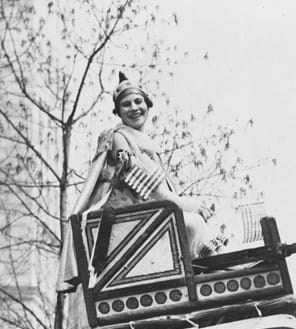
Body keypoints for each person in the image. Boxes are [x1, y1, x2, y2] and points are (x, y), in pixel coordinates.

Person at [60, 72, 222, 291]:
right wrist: (195, 205)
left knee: (197, 223)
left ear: (148, 104)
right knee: (192, 222)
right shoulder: (119, 138)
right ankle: (215, 271)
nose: (134, 108)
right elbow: (158, 194)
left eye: (138, 101)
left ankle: (210, 267)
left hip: (143, 216)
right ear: (118, 112)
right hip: (122, 220)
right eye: (126, 105)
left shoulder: (146, 145)